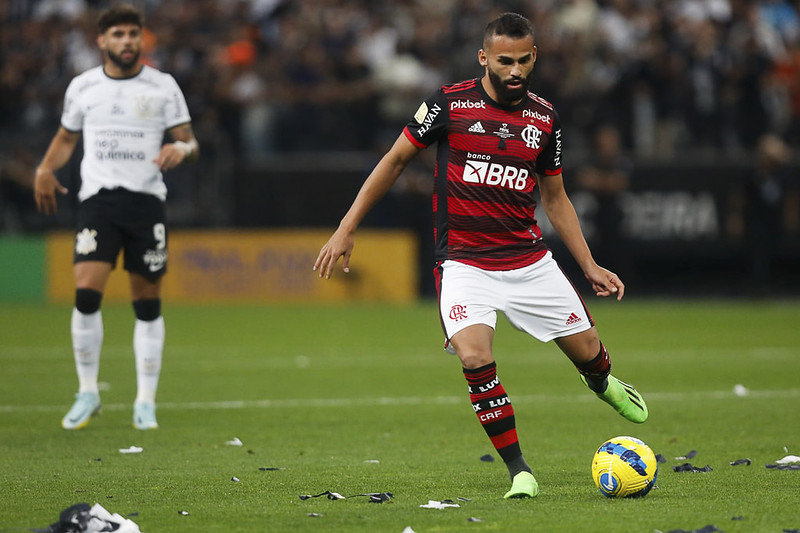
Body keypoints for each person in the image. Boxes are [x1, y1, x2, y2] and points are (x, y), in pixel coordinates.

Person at [314, 12, 647, 499]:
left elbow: (555, 198)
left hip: (530, 262)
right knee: (474, 357)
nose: (514, 70)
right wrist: (346, 228)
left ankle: (602, 382)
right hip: (465, 264)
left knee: (589, 354)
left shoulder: (543, 117)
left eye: (523, 60)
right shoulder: (448, 104)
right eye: (504, 60)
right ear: (484, 58)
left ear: (534, 58)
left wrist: (589, 266)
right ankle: (520, 471)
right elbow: (394, 161)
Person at [33, 3, 199, 430]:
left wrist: (181, 149)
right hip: (99, 202)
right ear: (102, 41)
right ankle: (87, 391)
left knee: (146, 304)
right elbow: (67, 137)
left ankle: (145, 401)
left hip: (145, 203)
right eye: (119, 35)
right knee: (87, 293)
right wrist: (44, 168)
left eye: (133, 34)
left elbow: (190, 142)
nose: (127, 41)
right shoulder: (84, 86)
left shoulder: (163, 87)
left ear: (142, 38)